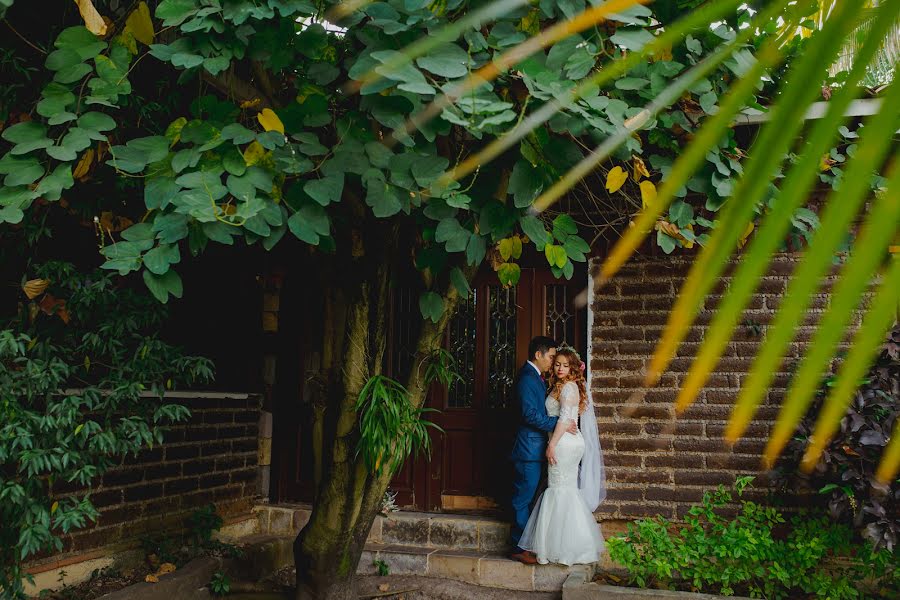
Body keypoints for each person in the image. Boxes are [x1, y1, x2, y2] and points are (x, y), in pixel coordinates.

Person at [517, 345, 606, 566]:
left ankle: (567, 548)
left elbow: (566, 420)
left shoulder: (568, 388)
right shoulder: (560, 386)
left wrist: (552, 445)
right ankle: (561, 545)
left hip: (564, 443)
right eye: (557, 364)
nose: (560, 368)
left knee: (560, 490)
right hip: (563, 441)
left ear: (573, 368)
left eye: (565, 365)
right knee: (562, 490)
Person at [508, 336, 577, 564]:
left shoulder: (536, 378)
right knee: (523, 498)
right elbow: (529, 415)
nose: (552, 362)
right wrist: (559, 424)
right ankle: (518, 547)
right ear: (538, 355)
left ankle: (526, 544)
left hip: (536, 448)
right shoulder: (528, 378)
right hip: (528, 449)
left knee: (529, 498)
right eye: (550, 357)